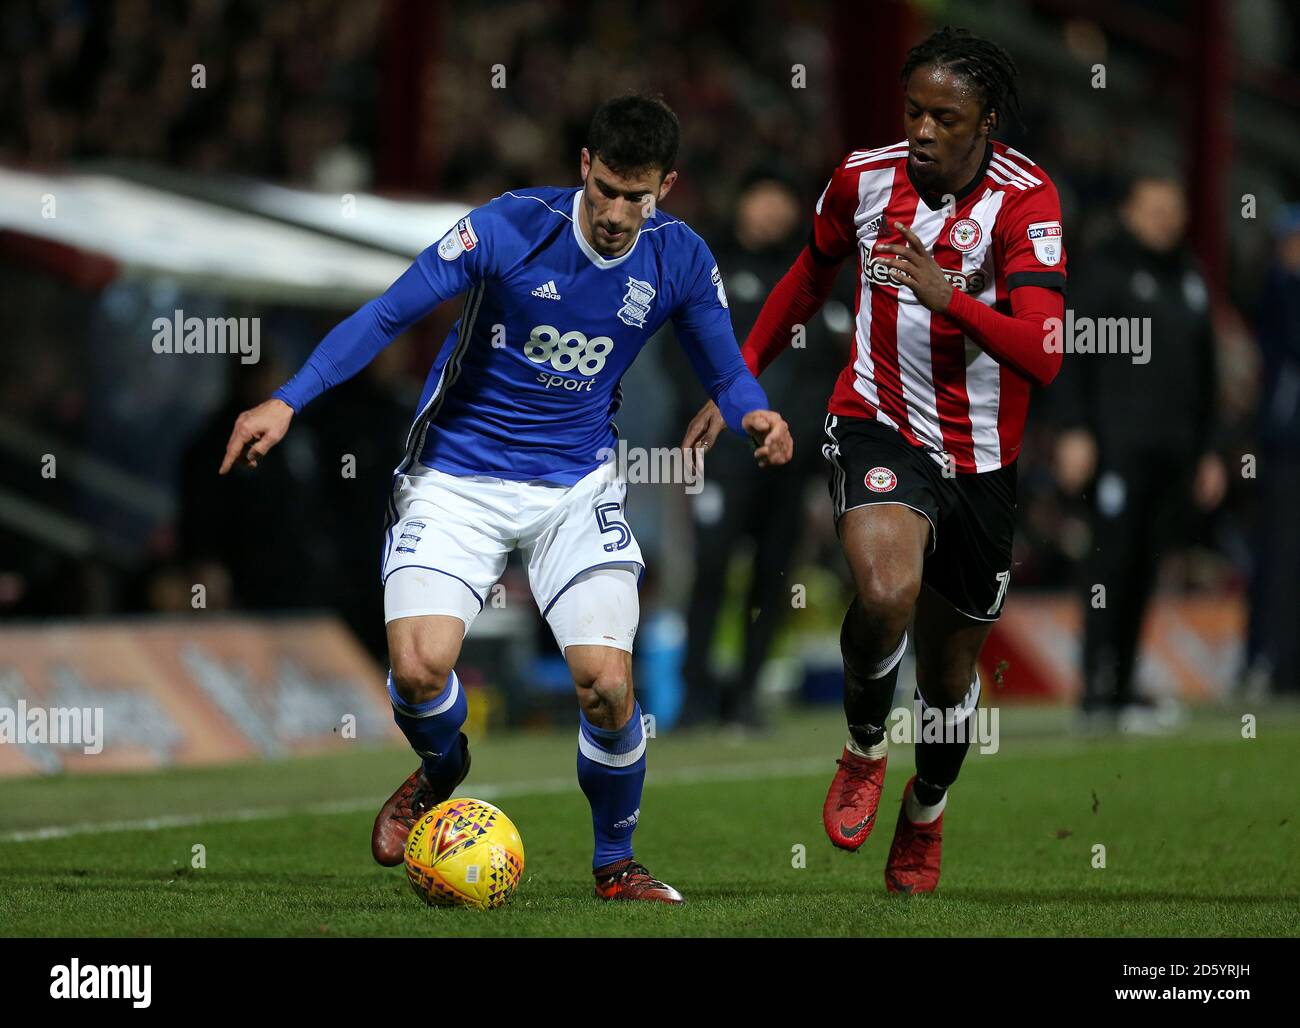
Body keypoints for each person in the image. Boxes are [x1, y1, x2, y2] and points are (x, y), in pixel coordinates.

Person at [219, 94, 792, 904]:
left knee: (608, 684)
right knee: (420, 672)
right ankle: (443, 764)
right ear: (584, 168)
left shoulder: (681, 258)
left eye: (641, 197)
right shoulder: (505, 228)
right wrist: (287, 399)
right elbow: (387, 315)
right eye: (609, 191)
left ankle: (615, 864)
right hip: (456, 474)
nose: (621, 214)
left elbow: (724, 368)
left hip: (575, 485)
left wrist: (755, 412)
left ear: (667, 185)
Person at [683, 28, 1066, 894]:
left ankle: (925, 809)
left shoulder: (1025, 201)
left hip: (984, 462)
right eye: (914, 111)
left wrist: (950, 296)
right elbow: (807, 278)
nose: (924, 131)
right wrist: (739, 378)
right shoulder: (862, 178)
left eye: (946, 116)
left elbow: (1044, 352)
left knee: (949, 675)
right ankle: (863, 747)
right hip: (877, 422)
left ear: (986, 123)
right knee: (886, 591)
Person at [673, 170, 849, 730]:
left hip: (790, 458)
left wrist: (815, 440)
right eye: (762, 198)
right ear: (743, 202)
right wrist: (705, 415)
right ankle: (695, 698)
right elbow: (679, 352)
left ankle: (747, 697)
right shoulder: (710, 267)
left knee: (772, 578)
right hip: (724, 452)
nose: (771, 212)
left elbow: (833, 370)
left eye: (781, 201)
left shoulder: (812, 282)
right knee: (711, 570)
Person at [1052, 172, 1225, 731]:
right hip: (1115, 450)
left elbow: (1207, 375)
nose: (1165, 219)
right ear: (1128, 210)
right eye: (1153, 208)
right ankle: (1096, 689)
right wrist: (1074, 429)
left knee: (1147, 568)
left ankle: (1124, 687)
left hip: (1173, 451)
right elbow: (1069, 355)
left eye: (1173, 209)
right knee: (1110, 564)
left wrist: (1211, 451)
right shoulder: (1103, 272)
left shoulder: (1190, 279)